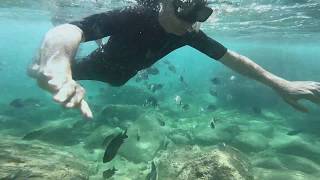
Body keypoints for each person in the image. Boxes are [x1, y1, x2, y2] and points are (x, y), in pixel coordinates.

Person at [28, 0, 320, 119]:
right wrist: (57, 65)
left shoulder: (187, 33)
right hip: (97, 67)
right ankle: (41, 67)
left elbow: (232, 59)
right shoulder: (134, 15)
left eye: (200, 14)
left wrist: (281, 84)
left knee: (59, 74)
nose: (192, 23)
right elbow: (69, 29)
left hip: (121, 77)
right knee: (50, 76)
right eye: (186, 10)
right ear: (166, 3)